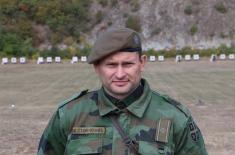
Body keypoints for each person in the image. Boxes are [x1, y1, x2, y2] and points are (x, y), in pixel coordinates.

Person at [38, 28, 208, 155]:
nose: (120, 74)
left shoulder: (175, 117)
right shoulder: (69, 115)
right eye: (111, 65)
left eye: (128, 64)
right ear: (97, 67)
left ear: (142, 63)